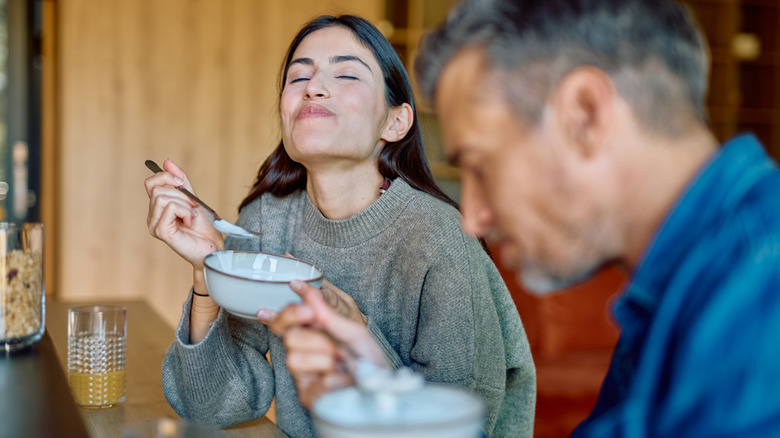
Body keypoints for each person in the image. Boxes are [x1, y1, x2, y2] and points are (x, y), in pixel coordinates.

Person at [273, 0, 780, 436]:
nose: (472, 217)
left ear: (584, 115)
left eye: (481, 165)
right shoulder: (686, 283)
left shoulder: (761, 295)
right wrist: (381, 388)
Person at [144, 14, 535, 438]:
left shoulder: (439, 237)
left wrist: (354, 333)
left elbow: (463, 429)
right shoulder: (265, 221)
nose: (313, 86)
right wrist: (209, 270)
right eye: (298, 77)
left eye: (346, 73)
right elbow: (215, 407)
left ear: (396, 121)